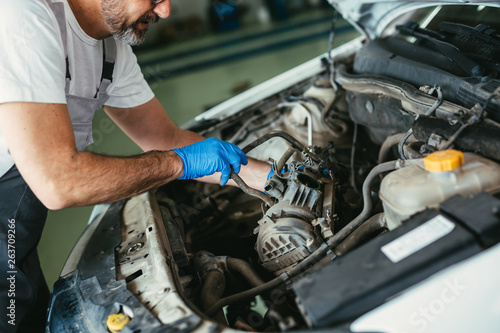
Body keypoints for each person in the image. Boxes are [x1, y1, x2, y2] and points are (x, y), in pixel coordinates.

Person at [0, 0, 270, 331]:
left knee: (23, 317)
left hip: (16, 234)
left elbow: (166, 137)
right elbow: (57, 180)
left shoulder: (110, 51)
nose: (166, 11)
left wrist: (272, 177)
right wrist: (176, 164)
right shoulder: (23, 15)